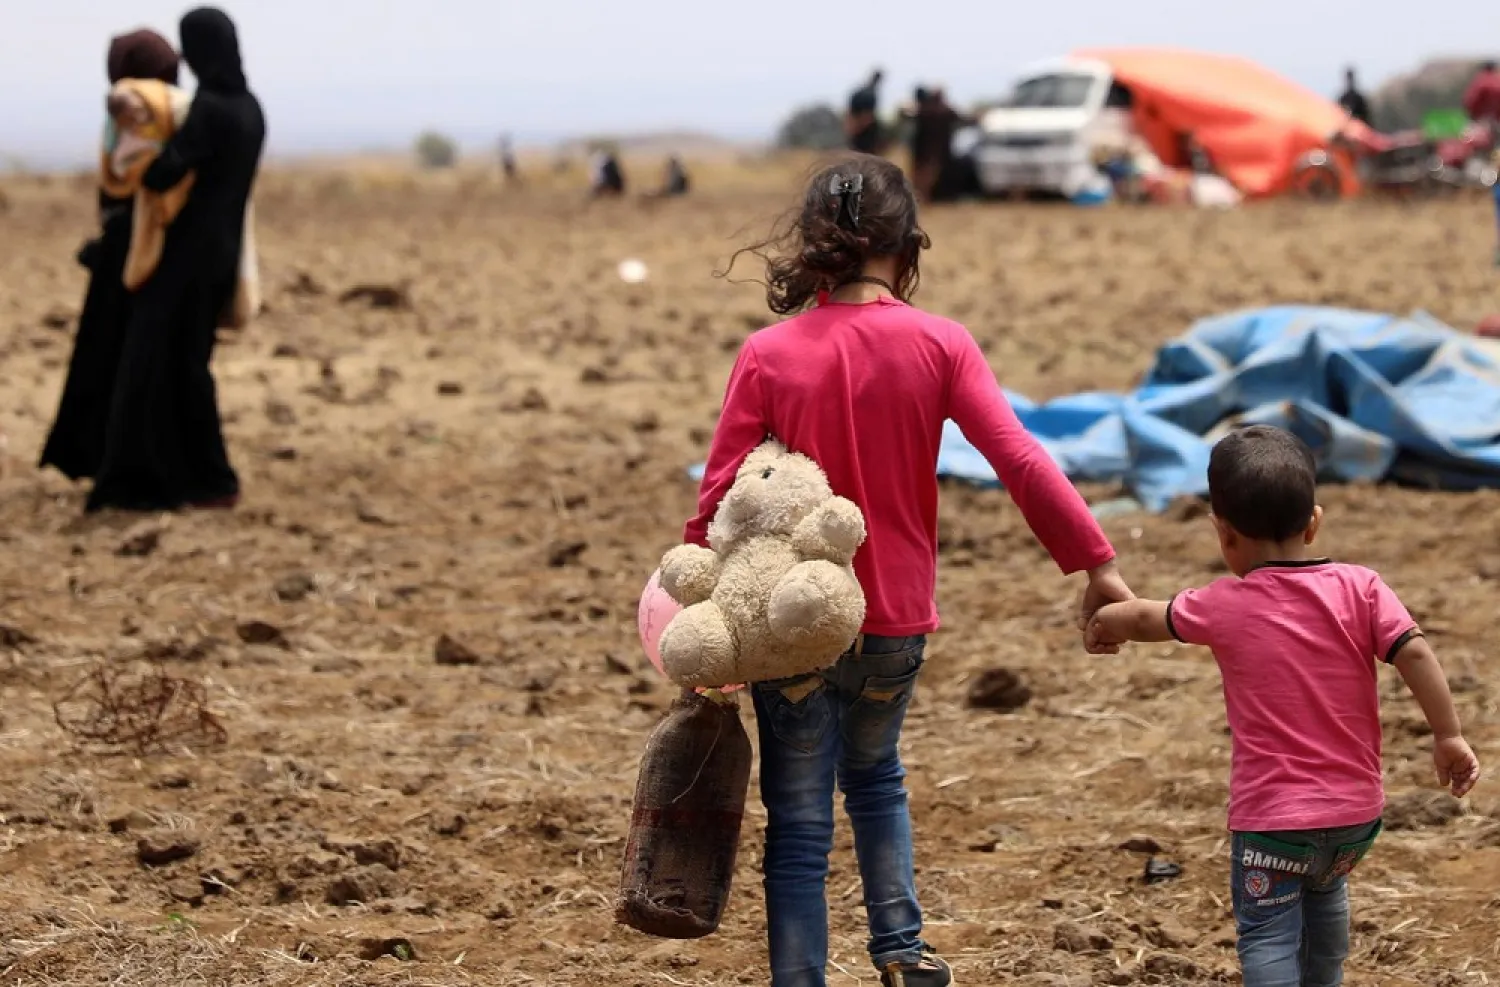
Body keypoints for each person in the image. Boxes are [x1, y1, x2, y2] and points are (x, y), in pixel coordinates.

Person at [691, 154, 1133, 987]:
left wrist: (705, 621)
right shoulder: (941, 343)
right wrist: (1096, 563)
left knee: (797, 822)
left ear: (818, 244)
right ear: (905, 243)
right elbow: (1019, 458)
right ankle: (901, 955)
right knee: (878, 777)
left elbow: (719, 495)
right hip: (895, 622)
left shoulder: (768, 354)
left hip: (787, 627)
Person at [1085, 425, 1480, 987]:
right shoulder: (1363, 588)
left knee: (1269, 934)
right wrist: (1447, 735)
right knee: (1325, 901)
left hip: (1272, 824)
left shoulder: (1222, 603)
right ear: (1313, 521)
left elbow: (1150, 616)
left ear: (1223, 534)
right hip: (1354, 818)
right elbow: (1414, 652)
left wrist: (1104, 621)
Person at [87, 7, 265, 513]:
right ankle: (202, 480)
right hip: (222, 255)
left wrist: (142, 154)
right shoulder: (251, 108)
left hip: (184, 257)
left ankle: (179, 482)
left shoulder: (209, 108)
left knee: (155, 368)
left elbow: (166, 173)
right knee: (187, 366)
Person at [38, 29, 180, 483]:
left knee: (106, 350)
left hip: (120, 246)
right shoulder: (145, 115)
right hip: (141, 247)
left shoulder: (129, 111)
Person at [846, 69, 884, 154]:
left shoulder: (858, 92)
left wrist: (852, 129)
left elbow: (849, 113)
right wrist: (860, 128)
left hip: (855, 130)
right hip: (866, 132)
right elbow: (867, 116)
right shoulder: (871, 95)